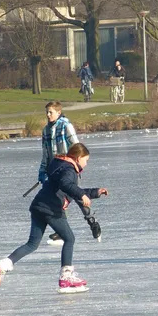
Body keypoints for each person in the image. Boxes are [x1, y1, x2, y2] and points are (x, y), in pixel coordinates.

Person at [0, 143, 108, 293]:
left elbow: (70, 190)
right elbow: (67, 185)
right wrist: (82, 194)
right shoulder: (69, 170)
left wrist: (95, 192)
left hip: (39, 206)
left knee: (32, 244)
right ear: (78, 158)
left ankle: (1, 266)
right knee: (69, 238)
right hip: (51, 209)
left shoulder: (61, 166)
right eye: (86, 160)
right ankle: (66, 277)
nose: (86, 163)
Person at [38, 102, 100, 244]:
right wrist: (42, 172)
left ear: (58, 113)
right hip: (54, 171)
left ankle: (92, 221)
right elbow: (45, 154)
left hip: (68, 168)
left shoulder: (66, 126)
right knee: (58, 199)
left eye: (50, 112)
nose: (48, 115)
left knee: (77, 195)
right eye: (46, 112)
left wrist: (76, 165)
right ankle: (60, 230)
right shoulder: (46, 130)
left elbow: (77, 147)